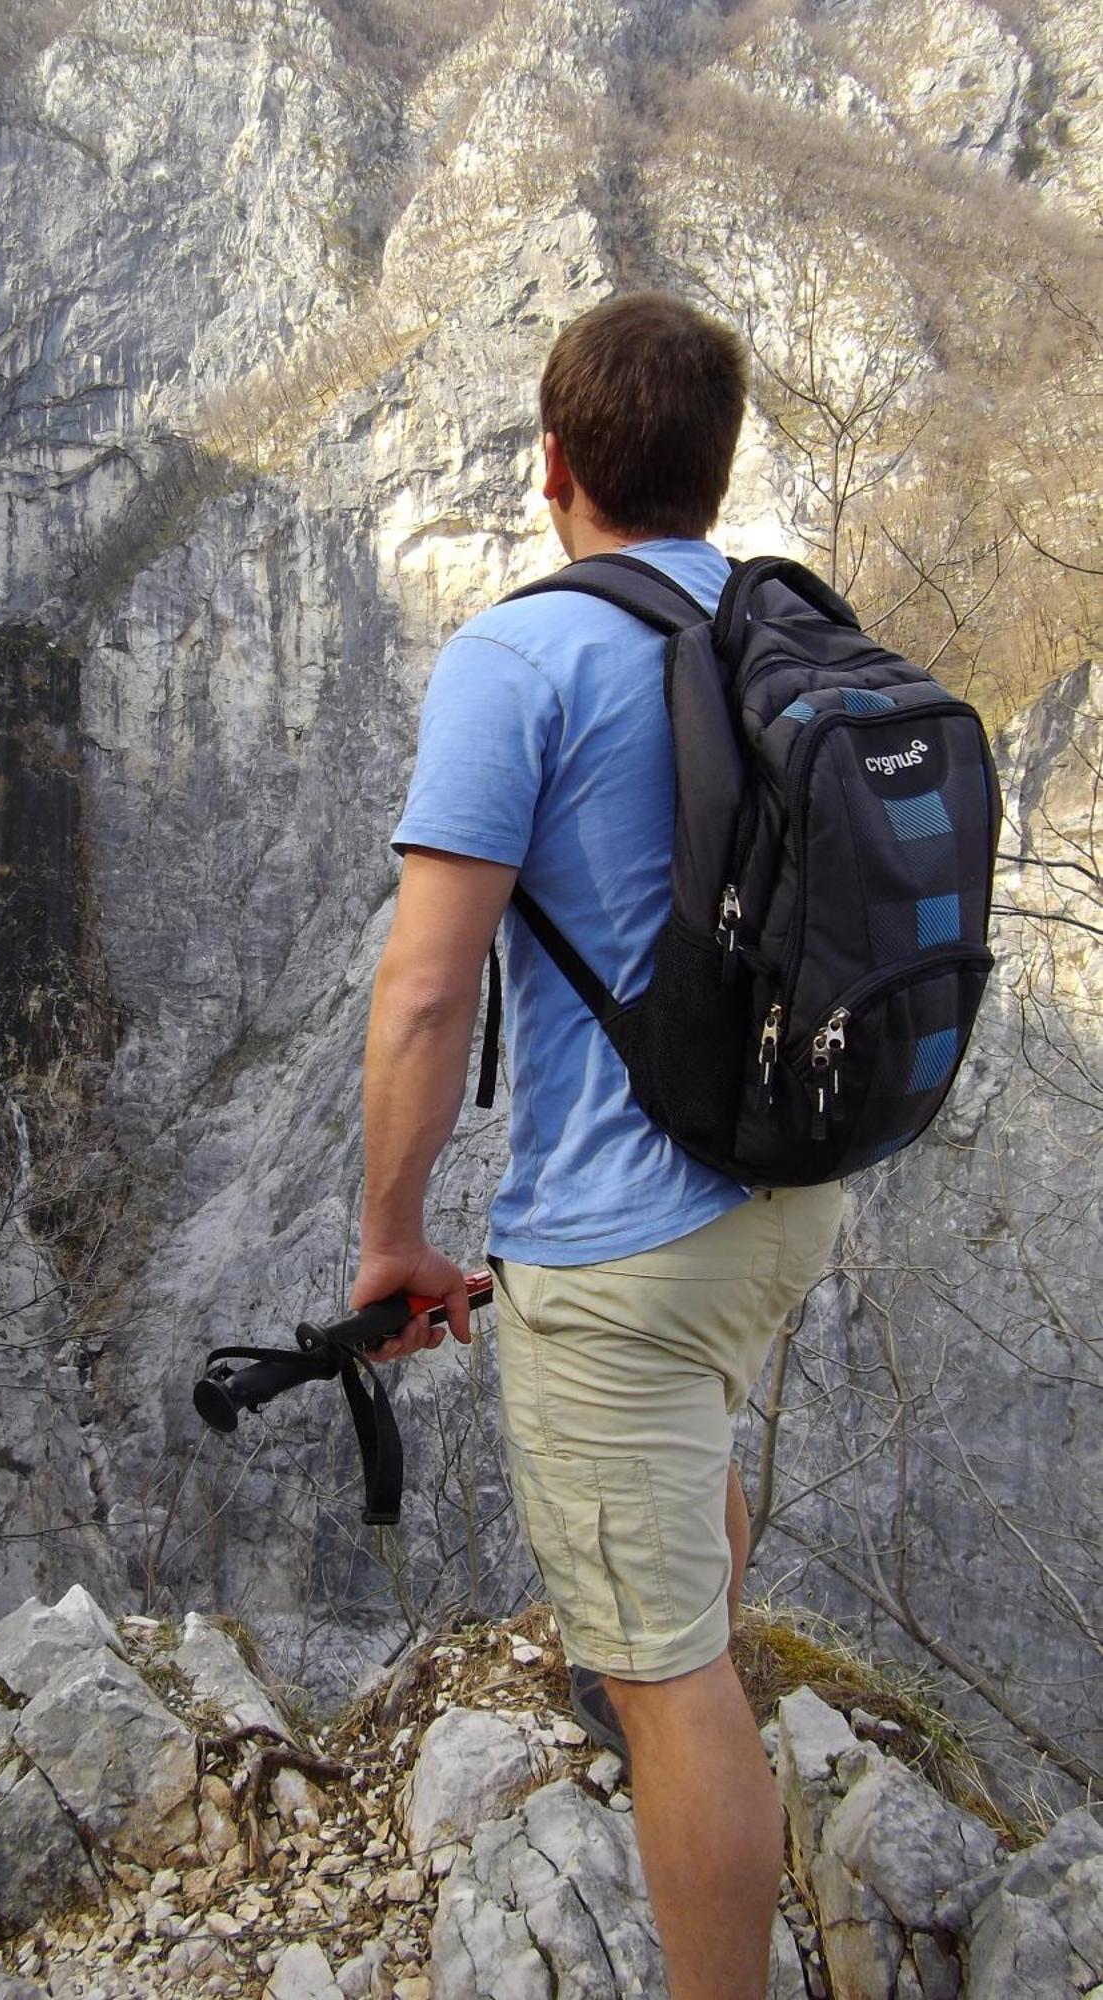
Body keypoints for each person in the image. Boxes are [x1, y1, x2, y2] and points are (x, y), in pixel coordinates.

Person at [351, 290, 843, 2000]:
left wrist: (394, 1238)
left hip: (625, 1247)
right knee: (687, 1436)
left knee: (674, 1685)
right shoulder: (779, 626)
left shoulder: (517, 653)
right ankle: (660, 1660)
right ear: (717, 472)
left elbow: (425, 997)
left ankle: (666, 1726)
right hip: (790, 1188)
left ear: (551, 464)